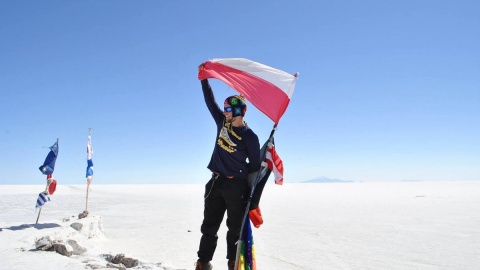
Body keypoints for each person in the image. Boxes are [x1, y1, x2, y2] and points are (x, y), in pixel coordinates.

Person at [195, 64, 261, 270]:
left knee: (234, 230)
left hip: (235, 187)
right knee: (209, 227)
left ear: (238, 111)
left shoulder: (250, 137)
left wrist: (237, 171)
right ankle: (203, 262)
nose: (224, 113)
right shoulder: (222, 124)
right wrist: (204, 79)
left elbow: (255, 165)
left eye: (228, 109)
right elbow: (209, 102)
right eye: (224, 109)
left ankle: (233, 264)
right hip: (215, 183)